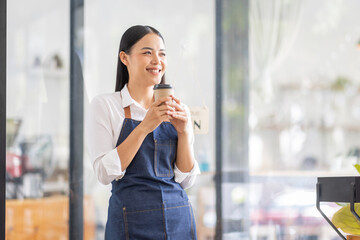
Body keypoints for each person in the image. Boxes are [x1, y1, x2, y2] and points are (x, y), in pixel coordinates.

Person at [87, 25, 200, 240]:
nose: (157, 60)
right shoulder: (106, 105)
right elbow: (104, 173)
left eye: (162, 54)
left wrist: (185, 132)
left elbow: (185, 180)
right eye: (147, 52)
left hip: (179, 221)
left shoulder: (179, 110)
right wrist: (145, 126)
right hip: (131, 223)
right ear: (125, 58)